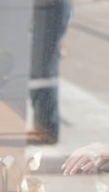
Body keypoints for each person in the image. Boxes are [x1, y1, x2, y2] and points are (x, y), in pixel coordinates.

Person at [27, 0, 72, 145]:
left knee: (43, 73)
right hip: (46, 7)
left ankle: (47, 129)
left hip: (49, 7)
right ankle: (43, 126)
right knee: (41, 71)